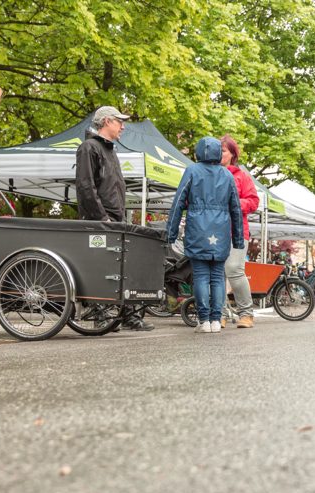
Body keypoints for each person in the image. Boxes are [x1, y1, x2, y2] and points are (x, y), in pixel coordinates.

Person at [75, 106, 154, 331]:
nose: (123, 126)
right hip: (100, 220)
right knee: (100, 268)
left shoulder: (109, 150)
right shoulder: (89, 148)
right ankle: (101, 316)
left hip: (115, 217)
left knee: (121, 267)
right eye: (119, 121)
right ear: (107, 121)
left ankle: (126, 315)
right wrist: (101, 217)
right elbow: (85, 186)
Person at [167, 137, 244, 333]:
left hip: (197, 229)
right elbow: (235, 208)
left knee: (200, 275)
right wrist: (237, 238)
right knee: (217, 276)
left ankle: (204, 320)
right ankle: (217, 320)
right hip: (221, 230)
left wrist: (171, 232)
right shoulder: (227, 175)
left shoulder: (192, 171)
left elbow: (178, 202)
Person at [220, 135, 260, 329]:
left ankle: (246, 313)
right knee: (217, 273)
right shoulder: (210, 174)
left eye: (224, 150)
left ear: (232, 154)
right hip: (214, 231)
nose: (220, 153)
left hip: (237, 231)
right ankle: (219, 314)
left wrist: (233, 204)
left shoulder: (241, 176)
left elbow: (253, 201)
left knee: (234, 269)